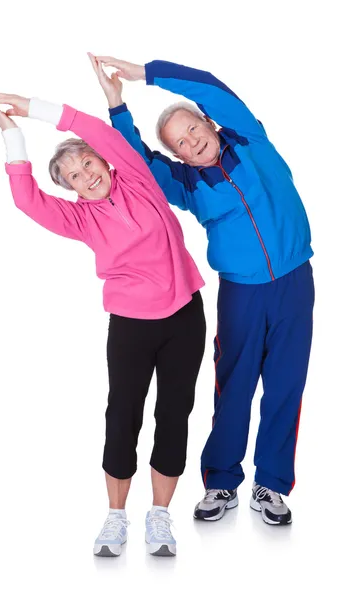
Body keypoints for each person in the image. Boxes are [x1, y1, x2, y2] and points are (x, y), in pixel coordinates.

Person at [0, 56, 206, 557]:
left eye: (88, 165)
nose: (86, 175)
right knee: (122, 413)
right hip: (130, 325)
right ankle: (115, 517)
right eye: (74, 176)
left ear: (105, 163)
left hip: (184, 316)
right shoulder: (80, 221)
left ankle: (160, 517)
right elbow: (26, 200)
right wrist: (12, 136)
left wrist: (32, 107)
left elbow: (91, 129)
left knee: (175, 412)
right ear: (72, 190)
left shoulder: (139, 180)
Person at [93, 55, 315, 526]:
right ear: (180, 156)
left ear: (208, 122)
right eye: (180, 144)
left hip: (295, 281)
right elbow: (136, 164)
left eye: (192, 129)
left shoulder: (251, 139)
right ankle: (220, 481)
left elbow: (211, 86)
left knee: (286, 383)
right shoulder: (189, 185)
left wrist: (146, 74)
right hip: (241, 294)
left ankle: (272, 486)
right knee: (233, 385)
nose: (191, 142)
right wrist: (118, 107)